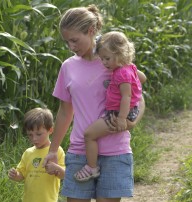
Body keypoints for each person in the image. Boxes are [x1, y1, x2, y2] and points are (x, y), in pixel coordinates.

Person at [42, 4, 146, 202]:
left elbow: (138, 96)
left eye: (75, 40)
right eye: (67, 42)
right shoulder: (68, 67)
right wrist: (53, 150)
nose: (71, 46)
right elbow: (65, 112)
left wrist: (131, 121)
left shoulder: (112, 60)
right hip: (80, 151)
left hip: (115, 151)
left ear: (90, 31)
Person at [74, 31, 147, 182]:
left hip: (118, 113)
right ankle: (92, 166)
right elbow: (143, 79)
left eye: (107, 58)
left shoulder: (121, 73)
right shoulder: (129, 67)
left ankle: (91, 168)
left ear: (119, 54)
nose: (104, 63)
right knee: (90, 134)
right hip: (125, 111)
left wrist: (121, 118)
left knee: (89, 135)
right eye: (102, 59)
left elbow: (126, 96)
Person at [8, 107, 65, 202]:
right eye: (30, 135)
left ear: (50, 130)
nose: (34, 139)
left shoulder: (56, 151)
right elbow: (21, 175)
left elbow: (64, 175)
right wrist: (15, 175)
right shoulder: (28, 153)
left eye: (39, 134)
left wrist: (57, 168)